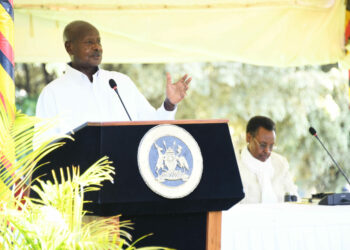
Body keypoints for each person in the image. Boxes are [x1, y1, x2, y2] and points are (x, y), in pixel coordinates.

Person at [36, 20, 191, 135]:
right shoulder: (52, 93)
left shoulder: (120, 82)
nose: (97, 47)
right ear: (69, 47)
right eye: (89, 42)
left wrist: (169, 104)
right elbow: (44, 149)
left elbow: (153, 126)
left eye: (99, 42)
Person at [238, 116, 298, 203]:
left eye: (271, 146)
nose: (267, 151)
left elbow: (294, 197)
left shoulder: (280, 164)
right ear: (249, 138)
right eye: (262, 145)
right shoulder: (234, 165)